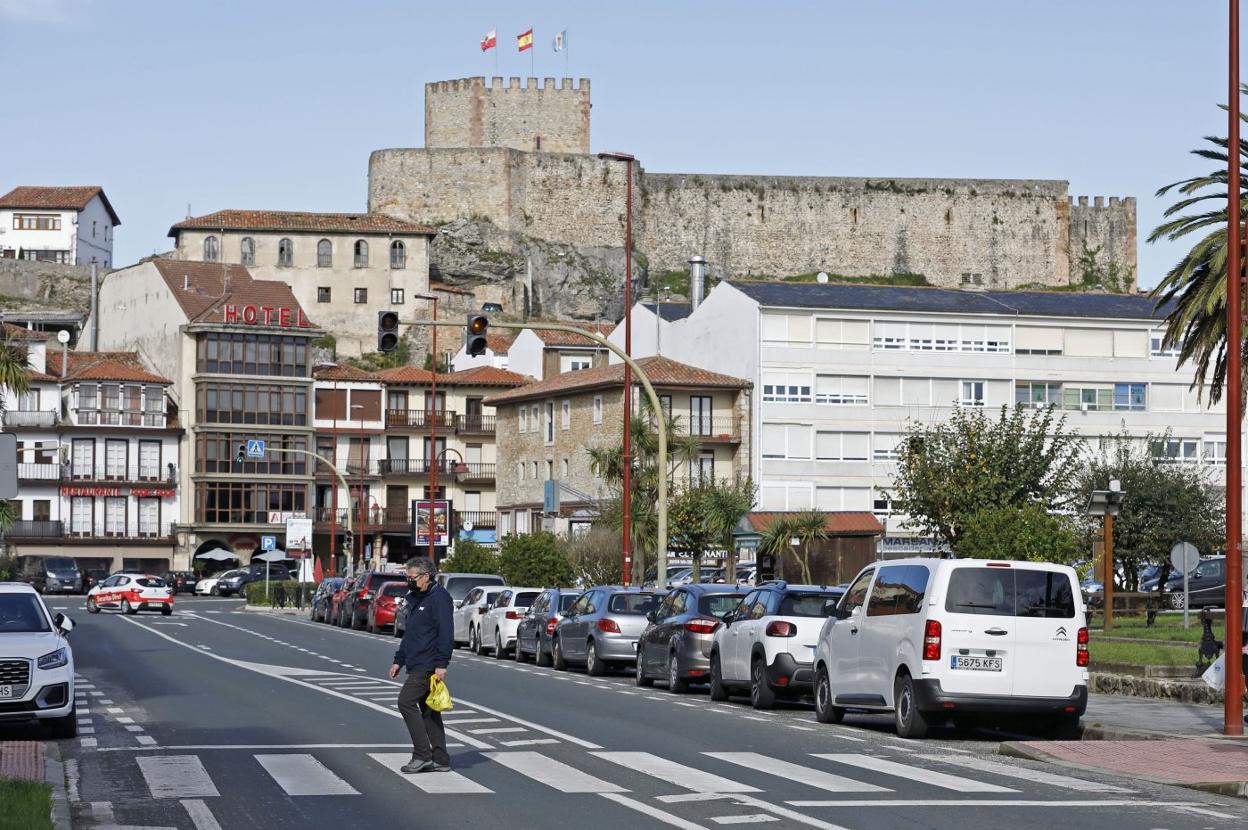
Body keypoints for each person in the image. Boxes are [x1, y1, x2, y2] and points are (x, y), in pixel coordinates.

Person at [389, 557, 454, 773]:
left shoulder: (440, 598)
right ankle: (441, 758)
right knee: (429, 711)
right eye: (407, 577)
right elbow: (411, 634)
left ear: (426, 576)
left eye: (412, 577)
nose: (409, 581)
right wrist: (399, 660)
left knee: (405, 702)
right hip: (416, 661)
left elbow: (446, 633)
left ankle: (422, 755)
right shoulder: (417, 597)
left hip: (428, 663)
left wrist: (441, 664)